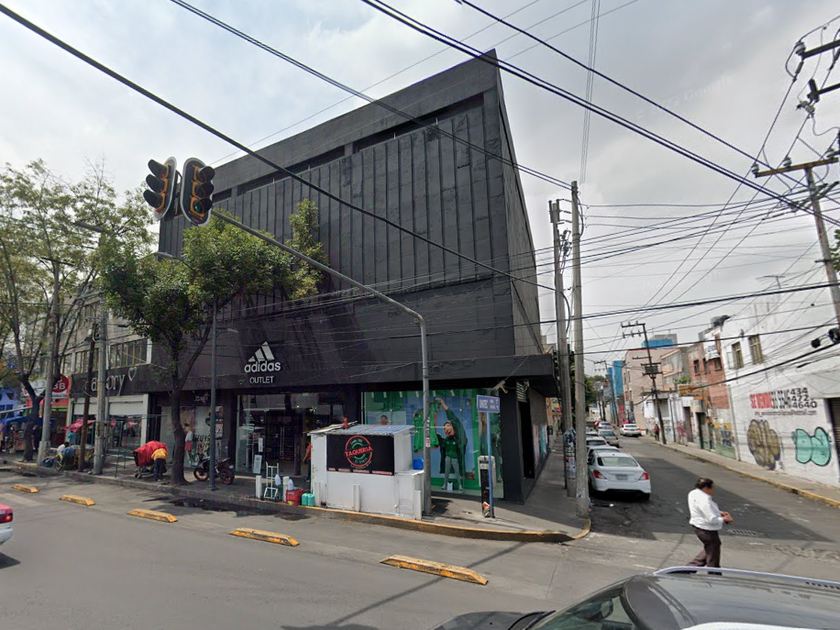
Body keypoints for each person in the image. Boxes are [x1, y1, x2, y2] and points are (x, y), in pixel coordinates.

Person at [687, 478, 733, 569]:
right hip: (706, 529)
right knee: (713, 555)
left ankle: (688, 569)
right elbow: (712, 519)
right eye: (712, 488)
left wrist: (718, 512)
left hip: (699, 525)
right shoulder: (704, 499)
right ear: (706, 488)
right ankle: (714, 573)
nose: (713, 490)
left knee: (712, 548)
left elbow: (702, 510)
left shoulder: (694, 493)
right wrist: (725, 519)